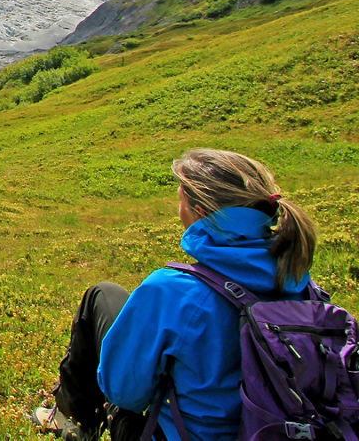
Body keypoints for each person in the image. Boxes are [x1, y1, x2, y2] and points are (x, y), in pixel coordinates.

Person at [31, 148, 317, 441]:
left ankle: (73, 422)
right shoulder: (304, 286)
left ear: (200, 213)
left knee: (102, 296)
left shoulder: (172, 290)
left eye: (180, 201)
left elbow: (124, 394)